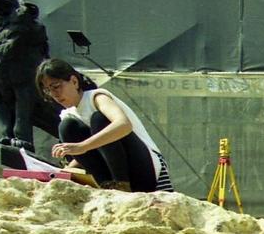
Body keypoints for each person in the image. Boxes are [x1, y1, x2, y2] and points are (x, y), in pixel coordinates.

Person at [34, 58, 173, 192]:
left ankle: (121, 183)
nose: (54, 94)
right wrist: (63, 172)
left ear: (74, 81)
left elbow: (124, 125)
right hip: (111, 173)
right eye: (48, 90)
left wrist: (82, 146)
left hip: (144, 170)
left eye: (56, 86)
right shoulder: (69, 115)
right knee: (67, 127)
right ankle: (107, 184)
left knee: (99, 120)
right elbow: (91, 153)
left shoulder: (97, 97)